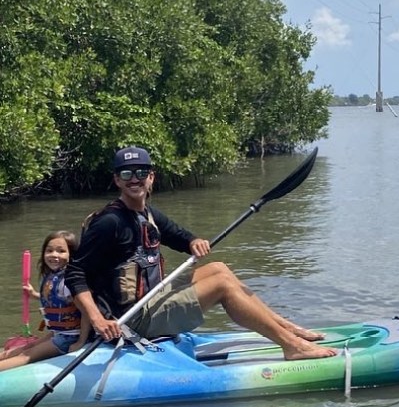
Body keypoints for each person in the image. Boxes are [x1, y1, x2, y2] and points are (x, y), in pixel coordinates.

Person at [65, 146, 337, 361]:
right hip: (132, 319)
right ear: (117, 180)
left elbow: (179, 236)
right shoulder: (109, 222)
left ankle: (288, 329)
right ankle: (291, 346)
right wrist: (99, 320)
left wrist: (195, 241)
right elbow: (75, 272)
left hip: (150, 298)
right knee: (221, 286)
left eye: (140, 172)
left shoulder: (147, 212)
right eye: (126, 174)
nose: (134, 179)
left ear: (151, 177)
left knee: (219, 268)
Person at [0, 231, 91, 371]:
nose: (54, 254)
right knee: (27, 346)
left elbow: (86, 312)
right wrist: (34, 294)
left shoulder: (69, 281)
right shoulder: (52, 277)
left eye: (61, 251)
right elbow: (57, 301)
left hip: (69, 338)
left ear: (71, 255)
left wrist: (80, 342)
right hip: (57, 333)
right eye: (49, 250)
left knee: (26, 355)